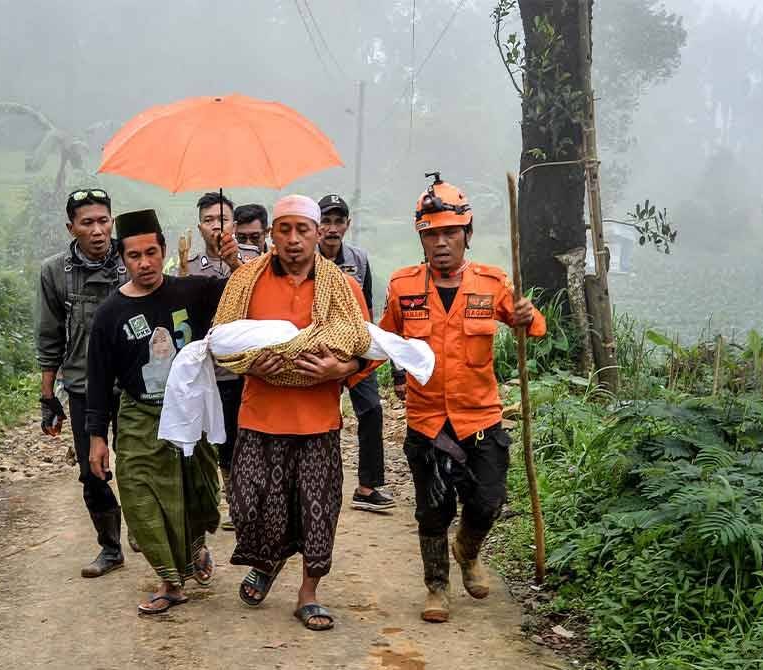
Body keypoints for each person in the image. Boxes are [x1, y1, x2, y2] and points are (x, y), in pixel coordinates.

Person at [378, 173, 546, 623]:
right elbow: (382, 340)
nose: (441, 242)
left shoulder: (492, 283)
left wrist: (528, 316)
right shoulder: (403, 286)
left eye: (450, 232)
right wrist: (344, 368)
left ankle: (467, 551)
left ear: (467, 235)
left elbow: (532, 326)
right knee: (432, 509)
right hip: (428, 419)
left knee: (488, 500)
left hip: (480, 418)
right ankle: (436, 588)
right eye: (431, 234)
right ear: (421, 238)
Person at [228, 194, 375, 632]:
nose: (293, 240)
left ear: (317, 234)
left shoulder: (342, 287)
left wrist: (340, 366)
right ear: (272, 234)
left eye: (302, 230)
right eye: (284, 229)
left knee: (318, 509)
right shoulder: (245, 282)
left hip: (317, 421)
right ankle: (268, 562)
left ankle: (308, 594)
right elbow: (222, 341)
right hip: (259, 416)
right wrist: (249, 362)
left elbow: (367, 348)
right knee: (251, 503)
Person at [85, 208, 241, 614]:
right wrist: (97, 439)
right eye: (134, 256)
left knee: (196, 490)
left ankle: (194, 547)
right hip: (139, 415)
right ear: (122, 258)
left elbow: (246, 293)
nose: (145, 263)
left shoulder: (192, 293)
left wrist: (232, 258)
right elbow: (98, 381)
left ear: (163, 250)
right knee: (139, 496)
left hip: (190, 414)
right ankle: (169, 582)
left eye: (151, 252)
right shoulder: (109, 314)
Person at [36, 187, 128, 579]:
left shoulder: (132, 257)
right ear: (71, 227)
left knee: (143, 463)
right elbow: (50, 334)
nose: (98, 230)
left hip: (133, 385)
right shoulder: (54, 271)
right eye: (87, 222)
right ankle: (110, 548)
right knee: (93, 471)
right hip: (82, 386)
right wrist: (47, 397)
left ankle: (150, 533)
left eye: (104, 220)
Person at [317, 194, 393, 514]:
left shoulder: (359, 259)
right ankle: (320, 485)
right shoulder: (308, 259)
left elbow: (368, 307)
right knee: (324, 419)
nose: (332, 228)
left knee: (372, 409)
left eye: (338, 221)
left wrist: (370, 349)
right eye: (326, 221)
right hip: (321, 350)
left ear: (347, 225)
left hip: (357, 349)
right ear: (316, 226)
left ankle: (367, 486)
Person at [183, 192, 244, 531]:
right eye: (209, 220)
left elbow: (262, 296)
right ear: (199, 226)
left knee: (237, 439)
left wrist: (235, 264)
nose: (216, 226)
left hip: (239, 369)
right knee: (206, 442)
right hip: (204, 370)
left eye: (222, 219)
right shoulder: (188, 265)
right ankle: (206, 504)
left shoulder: (254, 260)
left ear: (233, 224)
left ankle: (239, 502)